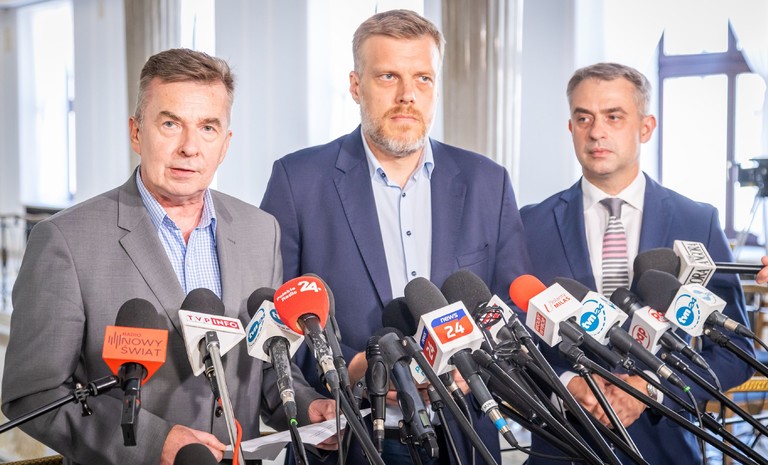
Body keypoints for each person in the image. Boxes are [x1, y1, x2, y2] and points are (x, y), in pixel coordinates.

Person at [2, 48, 336, 465]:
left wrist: (307, 405)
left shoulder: (259, 231)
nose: (189, 147)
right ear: (136, 132)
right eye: (170, 124)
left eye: (208, 127)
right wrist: (152, 442)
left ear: (225, 143)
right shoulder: (65, 240)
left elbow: (265, 364)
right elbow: (34, 394)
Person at [260, 9, 531, 465]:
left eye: (422, 78)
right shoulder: (297, 181)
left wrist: (476, 365)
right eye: (388, 76)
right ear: (355, 85)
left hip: (464, 434)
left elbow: (511, 308)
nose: (407, 94)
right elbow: (273, 319)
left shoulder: (488, 182)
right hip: (349, 433)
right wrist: (346, 372)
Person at [520, 62, 755, 464]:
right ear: (571, 127)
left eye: (614, 117)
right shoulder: (530, 224)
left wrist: (653, 391)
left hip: (665, 449)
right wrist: (566, 383)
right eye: (584, 118)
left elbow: (736, 352)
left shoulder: (697, 221)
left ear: (645, 128)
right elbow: (510, 343)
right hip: (564, 446)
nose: (597, 132)